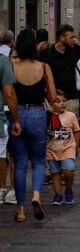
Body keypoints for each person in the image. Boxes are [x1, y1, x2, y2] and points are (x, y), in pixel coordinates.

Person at [11, 28, 56, 221]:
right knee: (38, 162)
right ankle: (36, 195)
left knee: (20, 163)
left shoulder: (12, 67)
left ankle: (21, 211)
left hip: (18, 113)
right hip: (38, 114)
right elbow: (52, 97)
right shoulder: (44, 67)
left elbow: (9, 94)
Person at [44, 24, 80, 115]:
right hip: (54, 100)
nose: (74, 40)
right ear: (62, 38)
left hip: (71, 99)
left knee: (72, 127)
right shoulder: (48, 53)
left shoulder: (75, 49)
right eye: (71, 37)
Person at [47, 91, 80, 205]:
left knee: (68, 170)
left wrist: (76, 146)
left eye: (64, 101)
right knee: (55, 173)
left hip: (68, 149)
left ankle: (69, 189)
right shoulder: (48, 117)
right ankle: (58, 195)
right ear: (51, 104)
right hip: (52, 150)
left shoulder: (71, 116)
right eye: (58, 101)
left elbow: (77, 131)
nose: (62, 104)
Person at [0, 47, 20, 207]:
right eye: (14, 57)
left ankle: (11, 189)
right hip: (5, 114)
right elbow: (8, 94)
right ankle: (4, 189)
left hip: (10, 115)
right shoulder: (5, 67)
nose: (16, 60)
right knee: (4, 155)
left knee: (12, 155)